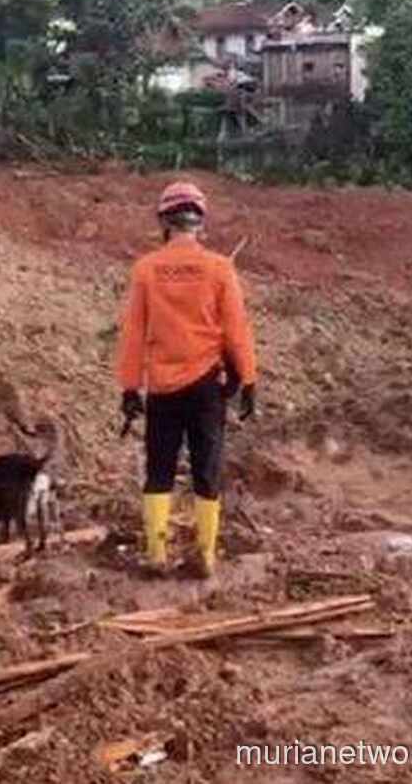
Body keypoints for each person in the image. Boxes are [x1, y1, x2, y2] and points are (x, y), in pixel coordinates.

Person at [115, 181, 257, 578]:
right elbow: (235, 330)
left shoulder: (146, 270)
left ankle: (157, 556)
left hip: (162, 388)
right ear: (200, 222)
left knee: (158, 471)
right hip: (207, 388)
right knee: (206, 471)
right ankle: (206, 557)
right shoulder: (219, 268)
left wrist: (130, 387)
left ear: (164, 221)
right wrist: (248, 378)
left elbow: (133, 334)